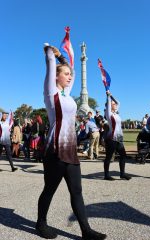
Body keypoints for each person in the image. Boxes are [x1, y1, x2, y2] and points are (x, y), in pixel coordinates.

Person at [36, 45, 106, 240]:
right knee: (49, 190)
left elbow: (73, 72)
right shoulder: (51, 93)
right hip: (55, 149)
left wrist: (64, 61)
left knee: (77, 191)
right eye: (65, 74)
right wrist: (53, 53)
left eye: (69, 74)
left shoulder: (67, 94)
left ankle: (86, 231)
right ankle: (40, 223)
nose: (69, 76)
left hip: (71, 150)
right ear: (56, 77)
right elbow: (50, 63)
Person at [104, 91, 131, 181]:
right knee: (109, 157)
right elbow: (109, 104)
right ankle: (106, 175)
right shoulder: (109, 114)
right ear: (109, 105)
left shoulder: (116, 113)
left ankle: (122, 174)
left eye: (114, 104)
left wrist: (111, 96)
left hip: (119, 138)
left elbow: (119, 102)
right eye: (113, 104)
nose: (115, 104)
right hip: (112, 138)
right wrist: (108, 96)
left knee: (123, 155)